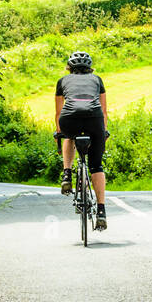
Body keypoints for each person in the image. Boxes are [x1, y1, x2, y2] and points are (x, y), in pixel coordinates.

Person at [55, 51, 109, 230]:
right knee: (96, 166)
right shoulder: (97, 80)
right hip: (94, 119)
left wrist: (59, 133)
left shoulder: (62, 81)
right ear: (89, 68)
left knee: (68, 136)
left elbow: (58, 112)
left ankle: (67, 173)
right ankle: (101, 210)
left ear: (69, 68)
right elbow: (104, 111)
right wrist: (104, 132)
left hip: (69, 119)